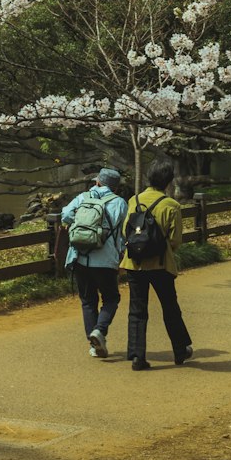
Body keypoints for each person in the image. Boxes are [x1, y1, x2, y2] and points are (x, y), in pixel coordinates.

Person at [120, 156, 193, 371]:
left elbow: (127, 229)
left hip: (135, 264)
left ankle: (136, 355)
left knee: (137, 309)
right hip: (161, 265)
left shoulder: (134, 201)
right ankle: (180, 350)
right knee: (170, 307)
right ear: (169, 181)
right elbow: (176, 240)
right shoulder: (171, 205)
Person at [59, 167, 128, 359]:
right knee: (111, 298)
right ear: (115, 187)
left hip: (80, 257)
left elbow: (64, 215)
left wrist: (81, 225)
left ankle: (93, 343)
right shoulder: (120, 203)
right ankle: (100, 330)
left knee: (88, 301)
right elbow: (123, 231)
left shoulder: (83, 197)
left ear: (97, 182)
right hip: (106, 260)